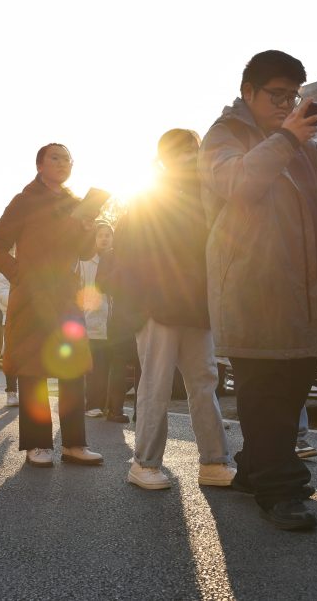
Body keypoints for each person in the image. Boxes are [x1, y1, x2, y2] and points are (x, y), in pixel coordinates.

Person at [199, 50, 317, 530]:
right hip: (253, 284)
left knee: (294, 381)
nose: (286, 104)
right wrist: (286, 138)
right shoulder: (224, 136)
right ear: (248, 93)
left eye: (293, 95)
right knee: (267, 391)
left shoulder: (301, 144)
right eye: (276, 95)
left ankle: (255, 469)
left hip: (302, 284)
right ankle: (281, 490)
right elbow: (238, 184)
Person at [109, 130, 234, 490]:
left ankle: (213, 462)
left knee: (204, 383)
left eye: (193, 149)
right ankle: (144, 463)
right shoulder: (147, 198)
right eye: (180, 151)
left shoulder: (207, 193)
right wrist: (141, 306)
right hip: (157, 307)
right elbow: (127, 255)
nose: (188, 156)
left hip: (196, 307)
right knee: (156, 386)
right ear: (163, 157)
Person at [0, 143, 103, 468]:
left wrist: (88, 229)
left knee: (73, 367)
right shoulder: (24, 201)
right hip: (32, 295)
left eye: (67, 158)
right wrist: (18, 275)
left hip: (66, 294)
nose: (63, 162)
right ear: (40, 165)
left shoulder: (76, 204)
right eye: (56, 157)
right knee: (32, 367)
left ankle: (75, 444)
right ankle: (37, 444)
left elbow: (82, 252)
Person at [77, 223, 127, 424]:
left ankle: (109, 406)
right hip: (92, 318)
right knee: (95, 365)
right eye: (100, 235)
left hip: (114, 321)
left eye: (108, 235)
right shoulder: (87, 262)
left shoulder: (118, 259)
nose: (104, 239)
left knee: (111, 364)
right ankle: (92, 404)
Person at [0, 273, 19, 406]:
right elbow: (2, 296)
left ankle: (28, 393)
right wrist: (26, 297)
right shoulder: (2, 274)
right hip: (11, 320)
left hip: (32, 320)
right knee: (11, 357)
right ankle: (11, 392)